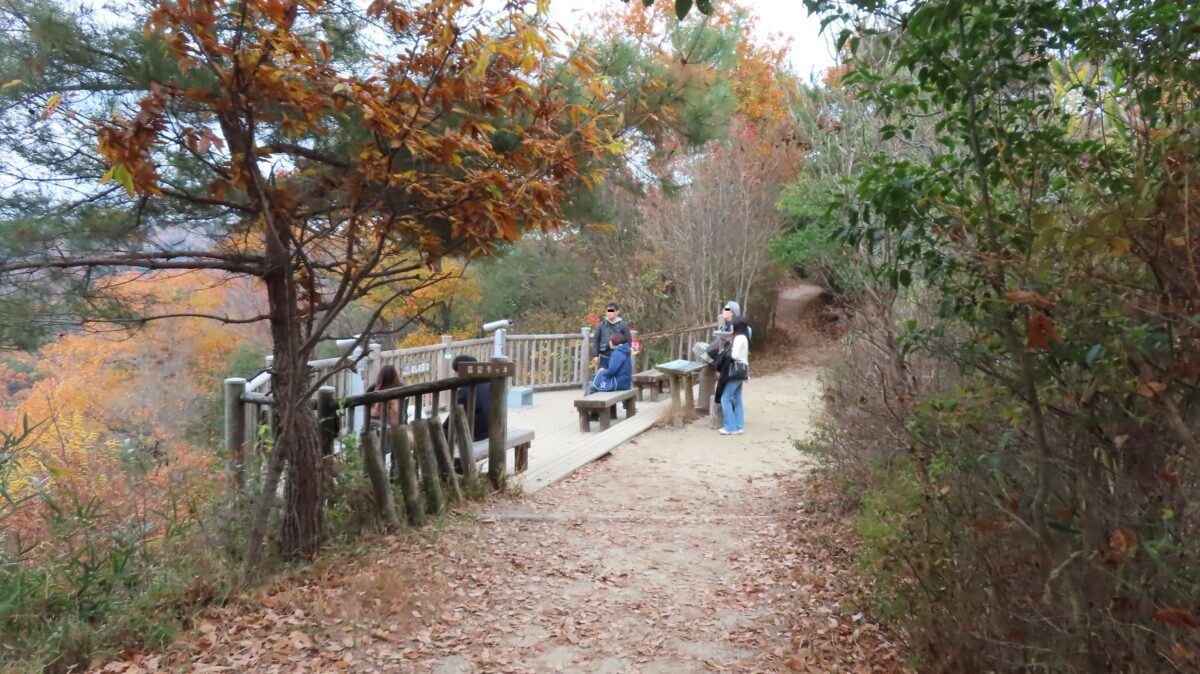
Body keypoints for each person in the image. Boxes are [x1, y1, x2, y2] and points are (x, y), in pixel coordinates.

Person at [714, 317, 750, 435]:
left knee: (725, 398)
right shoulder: (745, 337)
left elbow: (734, 356)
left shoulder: (739, 338)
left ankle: (730, 427)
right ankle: (739, 426)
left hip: (734, 372)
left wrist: (727, 350)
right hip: (742, 371)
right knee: (737, 399)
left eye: (733, 325)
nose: (731, 328)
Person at [444, 355, 490, 442]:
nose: (454, 374)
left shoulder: (464, 391)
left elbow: (453, 418)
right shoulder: (488, 384)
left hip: (476, 436)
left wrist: (441, 428)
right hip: (491, 432)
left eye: (456, 371)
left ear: (461, 371)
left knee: (439, 434)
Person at [593, 302, 631, 370]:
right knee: (603, 377)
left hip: (618, 356)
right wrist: (596, 355)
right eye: (607, 311)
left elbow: (628, 342)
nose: (609, 313)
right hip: (604, 356)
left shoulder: (623, 325)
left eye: (611, 311)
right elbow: (596, 340)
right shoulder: (601, 324)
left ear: (617, 312)